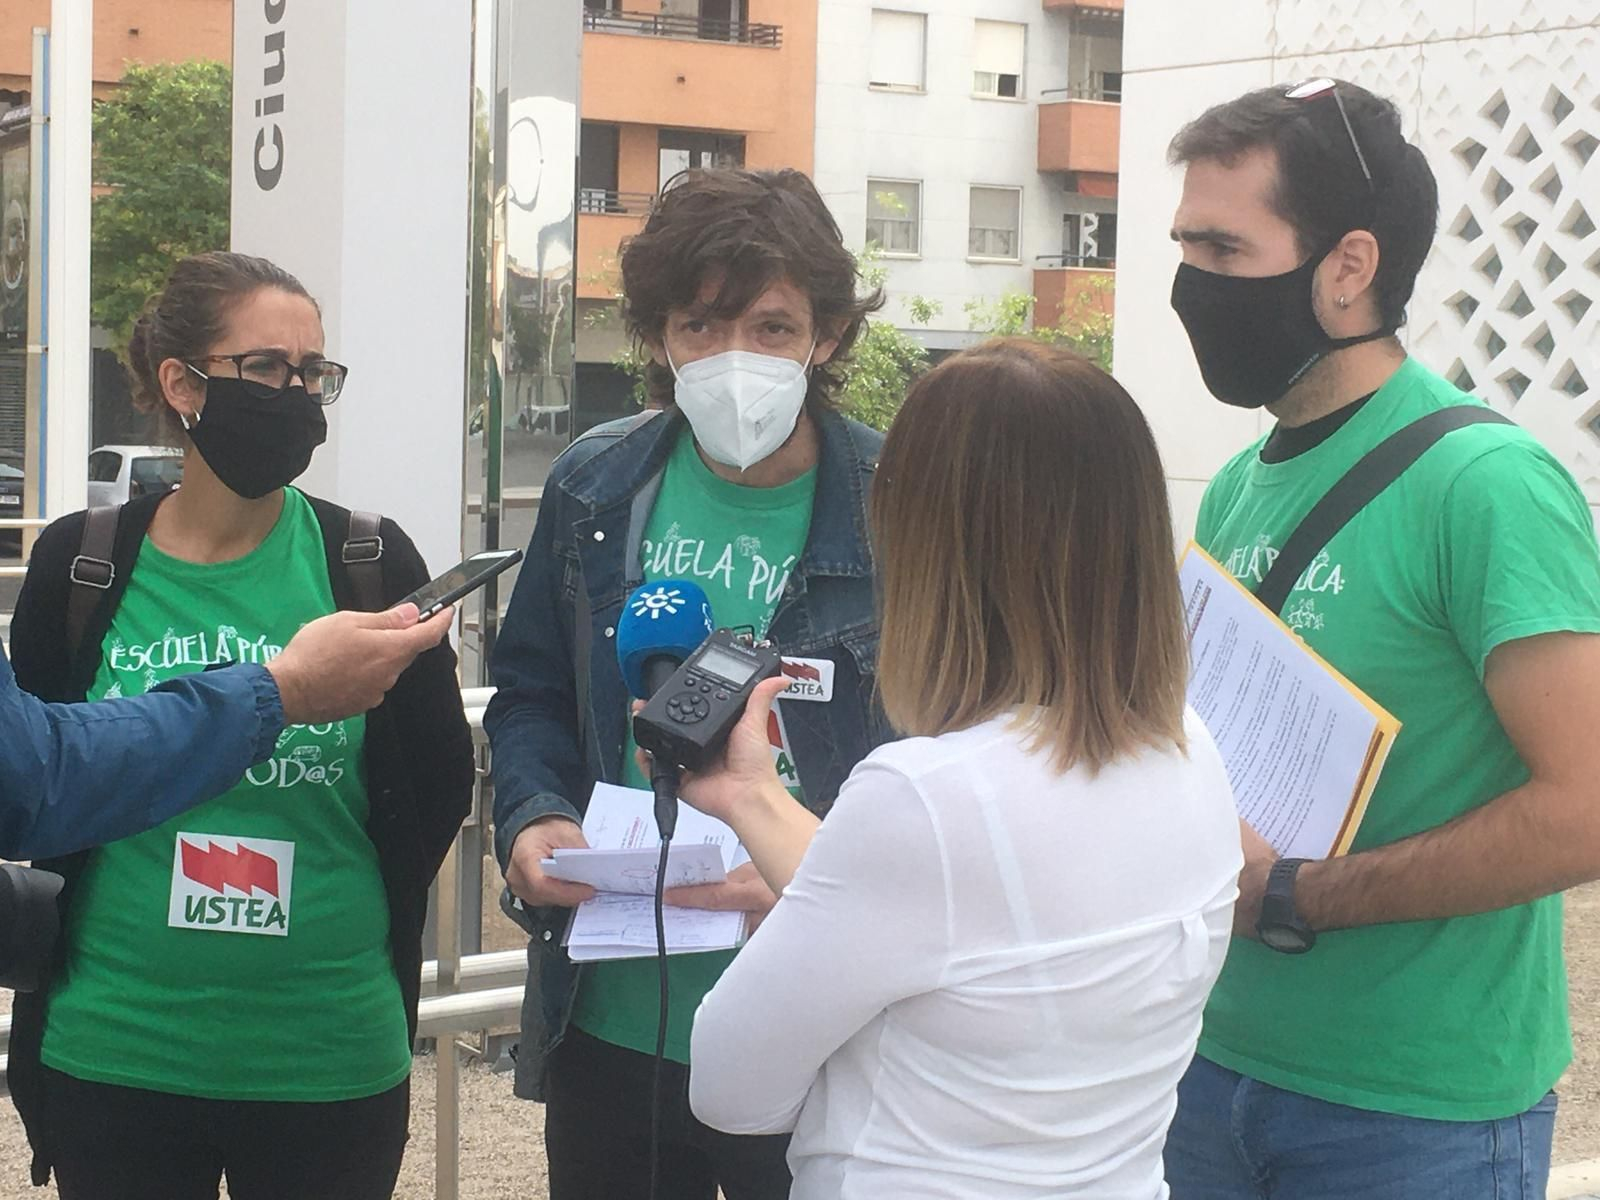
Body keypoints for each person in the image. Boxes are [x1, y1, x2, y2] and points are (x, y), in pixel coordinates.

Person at [1161, 80, 1600, 1197]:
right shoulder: (1237, 492)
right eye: (1185, 248)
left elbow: (1587, 803)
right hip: (1212, 1070)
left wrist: (1302, 897)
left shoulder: (1486, 485)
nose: (1190, 288)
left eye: (1221, 248)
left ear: (1347, 267)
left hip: (1416, 1113)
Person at [676, 339, 1241, 1199]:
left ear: (925, 543)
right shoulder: (1191, 751)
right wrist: (752, 795)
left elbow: (730, 1088)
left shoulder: (922, 798)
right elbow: (944, 918)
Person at [4, 251, 477, 1200]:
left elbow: (432, 790)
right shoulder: (81, 565)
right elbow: (38, 781)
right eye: (266, 369)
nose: (297, 395)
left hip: (327, 1047)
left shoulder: (368, 559)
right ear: (181, 385)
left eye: (314, 373)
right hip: (117, 1044)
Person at [486, 167, 890, 1200]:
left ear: (827, 336)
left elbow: (957, 758)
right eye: (700, 326)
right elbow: (528, 685)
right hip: (615, 1017)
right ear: (659, 336)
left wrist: (815, 870)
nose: (733, 359)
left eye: (769, 326)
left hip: (819, 1019)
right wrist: (531, 819)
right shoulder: (595, 483)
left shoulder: (903, 506)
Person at [0, 603, 453, 861]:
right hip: (105, 1007)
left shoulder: (366, 553)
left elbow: (437, 780)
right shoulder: (85, 556)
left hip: (338, 1005)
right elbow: (34, 777)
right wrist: (283, 691)